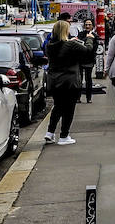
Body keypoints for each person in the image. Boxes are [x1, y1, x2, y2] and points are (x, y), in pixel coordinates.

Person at [44, 14, 95, 145]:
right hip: (69, 81)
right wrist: (89, 38)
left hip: (54, 81)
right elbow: (88, 50)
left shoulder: (50, 46)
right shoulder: (71, 44)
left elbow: (62, 49)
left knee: (58, 106)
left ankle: (50, 132)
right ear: (65, 31)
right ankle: (64, 136)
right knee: (69, 109)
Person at [77, 18, 99, 103]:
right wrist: (87, 38)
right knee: (79, 79)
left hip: (89, 60)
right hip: (80, 60)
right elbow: (79, 44)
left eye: (89, 24)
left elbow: (94, 48)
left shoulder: (95, 36)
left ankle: (88, 98)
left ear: (92, 26)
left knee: (88, 79)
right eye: (86, 24)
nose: (87, 26)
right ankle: (78, 97)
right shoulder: (81, 34)